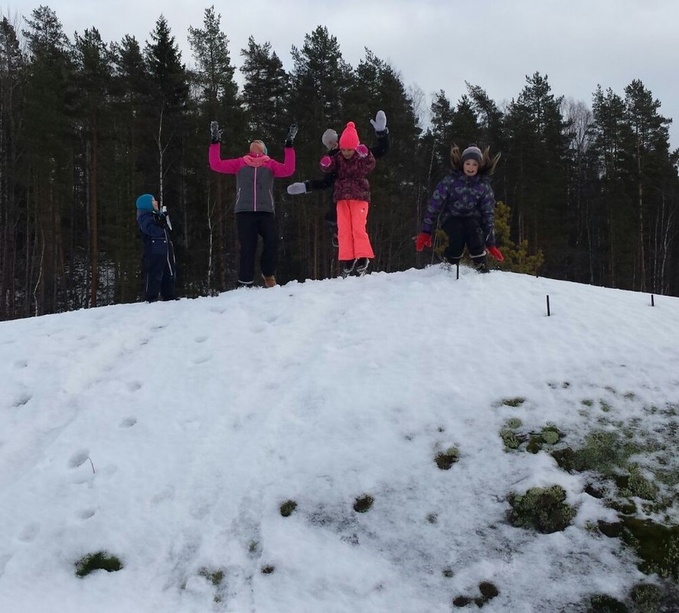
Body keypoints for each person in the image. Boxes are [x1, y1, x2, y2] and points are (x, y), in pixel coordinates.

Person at [209, 121, 297, 288]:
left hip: (265, 211)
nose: (257, 141)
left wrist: (289, 145)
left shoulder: (270, 164)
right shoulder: (240, 163)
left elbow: (289, 169)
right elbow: (216, 164)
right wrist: (215, 142)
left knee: (272, 241)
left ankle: (268, 273)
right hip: (244, 211)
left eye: (260, 141)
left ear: (264, 151)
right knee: (248, 247)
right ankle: (245, 281)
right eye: (254, 141)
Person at [287, 111, 390, 247]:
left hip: (359, 194)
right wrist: (305, 186)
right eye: (331, 145)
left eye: (335, 143)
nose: (343, 152)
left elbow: (381, 150)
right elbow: (325, 182)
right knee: (337, 205)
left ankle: (351, 237)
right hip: (341, 195)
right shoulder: (334, 160)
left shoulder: (358, 152)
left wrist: (381, 132)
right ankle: (339, 232)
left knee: (354, 218)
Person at [415, 144, 503, 273]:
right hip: (451, 217)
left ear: (479, 166)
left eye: (474, 164)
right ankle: (449, 265)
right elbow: (434, 205)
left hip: (473, 218)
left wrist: (490, 243)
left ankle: (481, 265)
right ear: (462, 164)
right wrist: (426, 231)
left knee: (474, 234)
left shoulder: (483, 186)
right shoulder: (450, 181)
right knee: (457, 235)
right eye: (468, 163)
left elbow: (488, 214)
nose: (471, 167)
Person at [319, 121, 376, 277]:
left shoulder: (360, 157)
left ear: (355, 148)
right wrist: (325, 164)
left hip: (359, 196)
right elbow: (329, 167)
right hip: (342, 197)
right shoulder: (338, 158)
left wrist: (367, 154)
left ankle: (363, 256)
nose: (346, 153)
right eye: (344, 149)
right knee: (343, 229)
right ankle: (348, 257)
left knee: (358, 227)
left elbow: (370, 164)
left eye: (349, 150)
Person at [136, 193, 176, 301]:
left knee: (169, 272)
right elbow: (151, 230)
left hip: (165, 248)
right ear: (147, 204)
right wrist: (159, 222)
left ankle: (169, 295)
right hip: (154, 249)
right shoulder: (144, 217)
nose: (156, 202)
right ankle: (151, 297)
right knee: (154, 273)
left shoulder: (156, 216)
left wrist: (162, 220)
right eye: (153, 201)